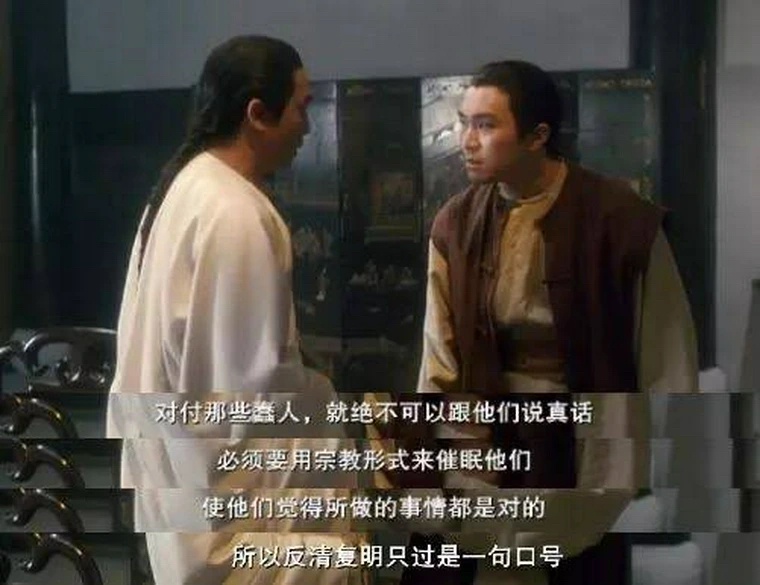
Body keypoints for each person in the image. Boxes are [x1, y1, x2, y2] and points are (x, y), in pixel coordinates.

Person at [413, 61, 699, 585]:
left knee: (576, 563)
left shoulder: (619, 220)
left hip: (582, 432)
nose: (466, 141)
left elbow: (666, 352)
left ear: (537, 135)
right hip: (488, 426)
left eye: (486, 125)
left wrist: (664, 454)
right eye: (463, 122)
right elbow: (440, 354)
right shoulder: (456, 223)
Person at [106, 36, 365, 585]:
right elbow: (252, 395)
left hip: (178, 483)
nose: (307, 127)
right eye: (301, 108)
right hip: (227, 508)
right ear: (257, 115)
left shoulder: (183, 188)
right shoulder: (235, 213)